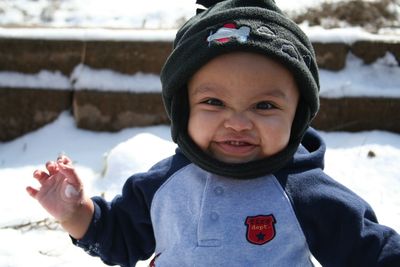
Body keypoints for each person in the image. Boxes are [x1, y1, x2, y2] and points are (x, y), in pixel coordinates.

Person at [27, 0, 400, 266]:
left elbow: (370, 250)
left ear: (298, 115)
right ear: (182, 107)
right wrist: (76, 213)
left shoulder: (305, 192)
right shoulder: (165, 184)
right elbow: (119, 237)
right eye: (214, 103)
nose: (237, 123)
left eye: (264, 106)